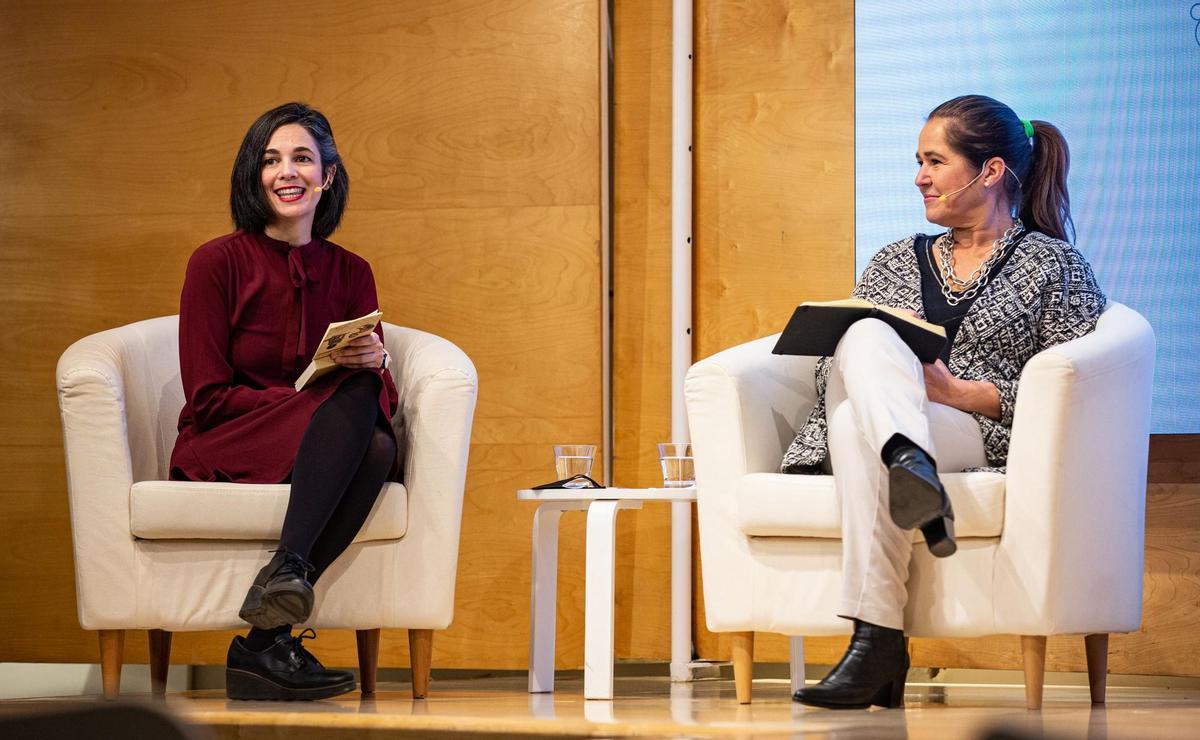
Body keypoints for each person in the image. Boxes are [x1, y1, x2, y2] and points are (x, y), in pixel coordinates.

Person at [782, 95, 1106, 710]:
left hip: (976, 432)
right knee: (862, 357)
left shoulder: (1052, 265)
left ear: (989, 172)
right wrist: (893, 382)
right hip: (900, 424)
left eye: (935, 160)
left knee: (860, 424)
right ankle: (908, 463)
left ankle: (878, 643)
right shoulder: (895, 260)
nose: (919, 176)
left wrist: (960, 392)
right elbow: (833, 379)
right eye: (917, 161)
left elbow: (1075, 395)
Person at [169, 103, 400, 701]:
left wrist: (377, 363)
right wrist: (303, 401)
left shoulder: (353, 270)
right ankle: (272, 619)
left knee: (373, 435)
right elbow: (207, 394)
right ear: (254, 176)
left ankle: (270, 617)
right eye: (271, 160)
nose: (286, 172)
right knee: (361, 432)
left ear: (327, 175)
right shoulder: (214, 262)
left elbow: (379, 399)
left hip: (320, 438)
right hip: (228, 432)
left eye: (302, 158)